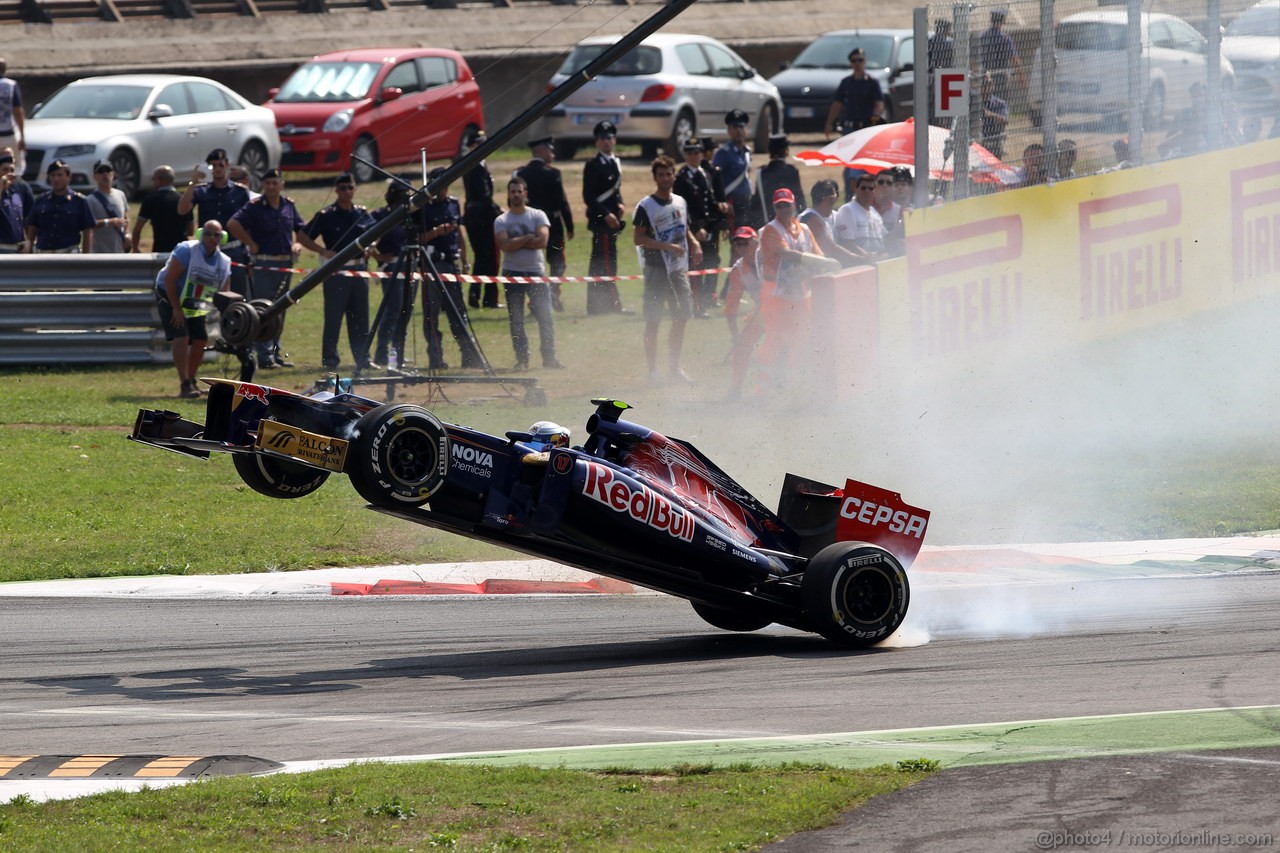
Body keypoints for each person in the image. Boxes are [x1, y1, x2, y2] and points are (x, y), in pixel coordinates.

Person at [228, 167, 317, 369]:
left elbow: (300, 230)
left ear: (281, 184)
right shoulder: (255, 206)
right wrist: (250, 243)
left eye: (274, 183)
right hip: (265, 263)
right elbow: (233, 223)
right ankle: (264, 356)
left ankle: (276, 353)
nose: (271, 187)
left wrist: (297, 245)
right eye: (267, 183)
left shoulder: (289, 206)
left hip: (285, 263)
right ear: (263, 186)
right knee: (263, 309)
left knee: (281, 308)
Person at [633, 155, 702, 385]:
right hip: (656, 269)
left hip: (678, 270)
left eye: (668, 173)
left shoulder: (680, 202)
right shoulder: (646, 206)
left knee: (682, 315)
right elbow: (638, 238)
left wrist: (694, 243)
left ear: (674, 175)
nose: (665, 178)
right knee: (654, 320)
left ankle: (674, 368)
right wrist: (666, 246)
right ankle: (653, 371)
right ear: (655, 178)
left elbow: (685, 228)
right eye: (660, 174)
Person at [755, 188, 832, 380]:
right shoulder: (770, 230)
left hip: (800, 292)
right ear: (775, 208)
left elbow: (817, 253)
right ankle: (763, 389)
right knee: (776, 339)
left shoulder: (804, 230)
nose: (784, 209)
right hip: (775, 293)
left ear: (794, 204)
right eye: (779, 206)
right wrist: (820, 262)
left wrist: (822, 262)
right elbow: (786, 254)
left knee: (802, 338)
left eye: (787, 205)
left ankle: (796, 383)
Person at [305, 173, 377, 372]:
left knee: (361, 317)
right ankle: (330, 359)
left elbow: (375, 232)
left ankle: (363, 358)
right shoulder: (327, 215)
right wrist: (322, 251)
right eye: (343, 188)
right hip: (336, 270)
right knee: (334, 317)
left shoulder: (362, 213)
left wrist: (372, 245)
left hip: (359, 269)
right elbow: (303, 235)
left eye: (350, 188)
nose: (347, 192)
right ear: (336, 190)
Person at [155, 220, 232, 399]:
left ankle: (191, 379)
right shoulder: (186, 251)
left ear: (223, 238)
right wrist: (176, 308)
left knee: (200, 339)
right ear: (200, 234)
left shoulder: (224, 262)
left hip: (195, 301)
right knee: (182, 336)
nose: (212, 238)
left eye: (217, 235)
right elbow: (169, 280)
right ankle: (184, 383)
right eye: (208, 233)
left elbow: (225, 292)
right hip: (169, 295)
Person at [417, 166, 483, 371]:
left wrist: (464, 259)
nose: (443, 190)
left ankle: (469, 356)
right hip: (433, 264)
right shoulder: (422, 207)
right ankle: (436, 358)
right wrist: (435, 233)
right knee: (432, 314)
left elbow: (458, 233)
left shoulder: (454, 204)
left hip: (451, 264)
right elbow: (416, 239)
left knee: (458, 313)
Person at [494, 177, 562, 370]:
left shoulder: (538, 215)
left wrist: (517, 242)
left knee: (545, 317)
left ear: (525, 194)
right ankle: (522, 360)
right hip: (512, 274)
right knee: (516, 320)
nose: (516, 194)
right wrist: (528, 237)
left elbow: (543, 242)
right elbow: (504, 246)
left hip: (536, 274)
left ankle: (549, 358)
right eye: (512, 191)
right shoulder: (501, 220)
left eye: (519, 191)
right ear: (508, 194)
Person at [178, 148, 252, 298]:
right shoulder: (201, 191)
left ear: (227, 165)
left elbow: (249, 224)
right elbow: (182, 209)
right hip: (207, 250)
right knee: (205, 294)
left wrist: (249, 254)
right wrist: (193, 183)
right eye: (213, 166)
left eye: (220, 165)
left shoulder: (240, 192)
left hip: (233, 250)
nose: (217, 169)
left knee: (235, 294)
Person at [515, 136, 573, 313]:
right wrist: (569, 225)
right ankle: (554, 295)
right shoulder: (553, 173)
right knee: (557, 263)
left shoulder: (520, 174)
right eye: (550, 150)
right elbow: (561, 201)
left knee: (533, 264)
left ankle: (535, 301)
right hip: (553, 224)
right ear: (542, 151)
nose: (553, 154)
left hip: (528, 224)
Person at [582, 120, 627, 315]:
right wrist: (606, 214)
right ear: (597, 142)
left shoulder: (615, 162)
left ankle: (600, 305)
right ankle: (611, 304)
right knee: (605, 262)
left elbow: (615, 191)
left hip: (613, 222)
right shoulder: (592, 165)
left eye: (609, 138)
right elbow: (589, 196)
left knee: (606, 261)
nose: (606, 141)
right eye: (602, 138)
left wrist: (620, 203)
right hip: (602, 222)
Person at [674, 139, 719, 316]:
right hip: (694, 231)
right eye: (690, 153)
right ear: (685, 155)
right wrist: (696, 229)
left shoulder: (705, 174)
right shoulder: (682, 178)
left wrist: (714, 225)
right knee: (695, 270)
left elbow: (709, 203)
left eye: (697, 152)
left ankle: (707, 300)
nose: (694, 156)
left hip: (708, 230)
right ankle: (696, 306)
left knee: (712, 263)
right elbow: (683, 208)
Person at [371, 181, 411, 369]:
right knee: (393, 309)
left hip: (409, 267)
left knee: (405, 311)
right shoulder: (380, 215)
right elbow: (368, 241)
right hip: (391, 266)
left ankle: (398, 353)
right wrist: (378, 256)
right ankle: (382, 353)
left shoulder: (410, 215)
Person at [460, 130, 502, 310]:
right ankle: (488, 298)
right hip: (482, 217)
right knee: (489, 257)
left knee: (481, 257)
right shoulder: (476, 166)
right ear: (475, 146)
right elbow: (484, 196)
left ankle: (475, 293)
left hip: (474, 215)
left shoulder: (473, 164)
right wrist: (499, 211)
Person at [25, 159, 94, 253]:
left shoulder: (79, 201)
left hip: (68, 253)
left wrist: (86, 257)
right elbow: (32, 227)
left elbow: (87, 230)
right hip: (43, 253)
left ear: (69, 177)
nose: (56, 179)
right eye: (53, 175)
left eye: (60, 175)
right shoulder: (41, 200)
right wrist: (29, 248)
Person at [799, 178, 861, 269]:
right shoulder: (812, 219)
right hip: (812, 270)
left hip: (830, 266)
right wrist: (859, 259)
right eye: (836, 194)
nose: (837, 196)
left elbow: (846, 242)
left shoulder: (836, 216)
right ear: (828, 199)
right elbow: (830, 248)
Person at [824, 48, 884, 140]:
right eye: (854, 61)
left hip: (866, 127)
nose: (857, 63)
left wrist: (874, 120)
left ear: (865, 61)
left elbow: (878, 103)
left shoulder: (872, 82)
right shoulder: (846, 82)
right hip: (849, 128)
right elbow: (837, 104)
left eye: (860, 60)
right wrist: (829, 123)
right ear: (850, 63)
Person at [131, 166, 194, 253]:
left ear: (158, 180)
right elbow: (191, 231)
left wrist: (135, 248)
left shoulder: (150, 200)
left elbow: (137, 230)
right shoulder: (184, 200)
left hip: (160, 250)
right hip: (182, 252)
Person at [712, 110, 754, 233]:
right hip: (732, 201)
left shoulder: (747, 152)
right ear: (729, 130)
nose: (738, 131)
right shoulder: (723, 153)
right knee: (737, 238)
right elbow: (715, 179)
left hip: (746, 200)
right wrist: (723, 201)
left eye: (741, 127)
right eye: (735, 127)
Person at [753, 134, 806, 225]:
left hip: (768, 222)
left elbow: (757, 201)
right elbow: (799, 197)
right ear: (786, 151)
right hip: (790, 221)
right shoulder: (791, 171)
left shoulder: (761, 172)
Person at [722, 225, 761, 346]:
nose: (742, 247)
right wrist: (735, 335)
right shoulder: (738, 271)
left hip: (786, 304)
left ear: (756, 243)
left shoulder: (769, 257)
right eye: (738, 244)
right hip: (762, 311)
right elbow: (731, 306)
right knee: (744, 345)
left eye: (746, 243)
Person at [833, 173, 887, 259]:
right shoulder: (848, 210)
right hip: (858, 264)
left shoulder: (875, 213)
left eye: (871, 188)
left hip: (877, 261)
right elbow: (847, 243)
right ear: (856, 189)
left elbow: (886, 239)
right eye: (863, 188)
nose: (867, 191)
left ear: (875, 192)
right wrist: (866, 256)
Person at [978, 9, 1025, 103]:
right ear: (1003, 21)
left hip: (985, 75)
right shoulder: (1005, 38)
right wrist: (1021, 77)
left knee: (986, 102)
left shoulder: (982, 36)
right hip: (1000, 75)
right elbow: (1014, 59)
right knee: (1001, 102)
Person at [85, 161, 130, 253]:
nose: (105, 174)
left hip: (119, 251)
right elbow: (87, 225)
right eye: (101, 172)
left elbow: (125, 218)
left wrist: (128, 234)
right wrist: (108, 222)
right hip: (99, 252)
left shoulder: (120, 195)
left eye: (108, 171)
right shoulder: (90, 200)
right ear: (95, 176)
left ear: (113, 174)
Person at [0, 149, 34, 253]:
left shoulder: (20, 190)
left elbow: (30, 217)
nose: (9, 174)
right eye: (5, 170)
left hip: (18, 248)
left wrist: (29, 241)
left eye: (12, 170)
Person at [0, 59, 26, 172]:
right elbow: (18, 111)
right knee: (16, 165)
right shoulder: (10, 85)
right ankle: (15, 188)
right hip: (8, 132)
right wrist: (22, 135)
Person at [873, 171, 904, 257]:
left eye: (889, 183)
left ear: (893, 187)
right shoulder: (866, 207)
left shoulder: (899, 210)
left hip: (889, 253)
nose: (885, 185)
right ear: (875, 185)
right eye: (881, 182)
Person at [979, 72, 1009, 160]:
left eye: (990, 83)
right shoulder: (972, 102)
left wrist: (990, 114)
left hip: (993, 137)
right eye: (984, 84)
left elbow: (1005, 120)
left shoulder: (999, 103)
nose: (987, 86)